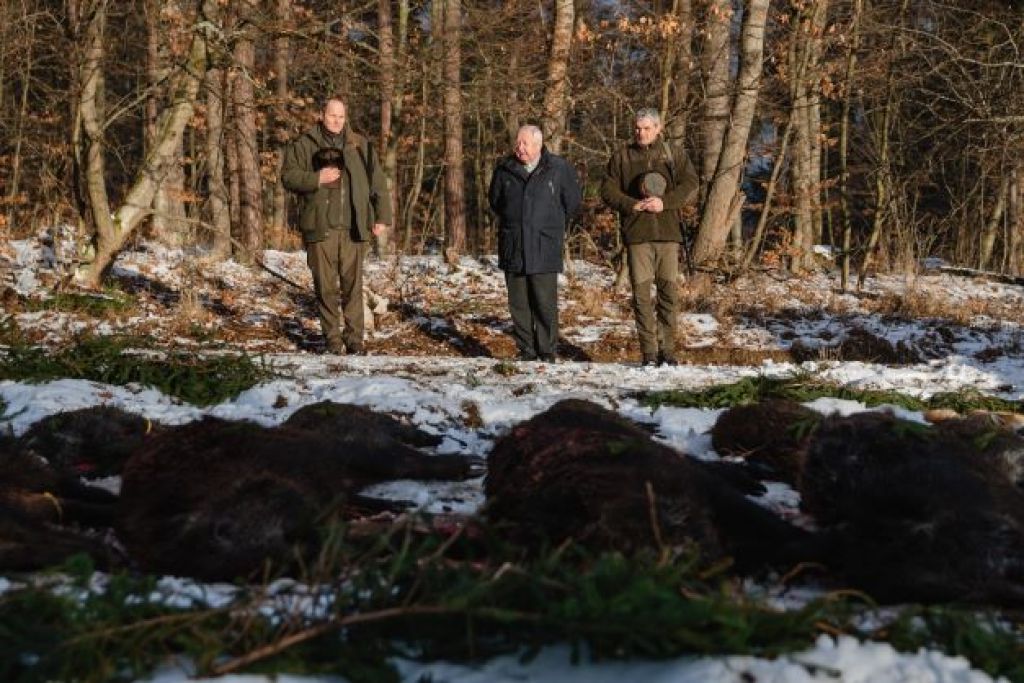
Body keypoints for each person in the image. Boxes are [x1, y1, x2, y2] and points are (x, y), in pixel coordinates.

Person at [281, 96, 392, 355]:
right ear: (322, 115)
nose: (337, 121)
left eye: (341, 116)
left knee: (353, 288)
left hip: (354, 228)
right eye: (332, 115)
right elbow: (288, 177)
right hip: (320, 227)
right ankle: (332, 340)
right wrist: (316, 178)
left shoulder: (360, 146)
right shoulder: (305, 144)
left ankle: (355, 341)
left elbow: (378, 183)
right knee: (326, 287)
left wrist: (382, 216)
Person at [600, 108, 699, 367]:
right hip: (637, 235)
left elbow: (691, 184)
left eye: (646, 128)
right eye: (637, 128)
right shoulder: (622, 156)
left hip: (668, 234)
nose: (640, 133)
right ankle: (649, 353)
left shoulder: (673, 154)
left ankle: (668, 351)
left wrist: (665, 203)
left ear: (658, 128)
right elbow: (607, 190)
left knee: (668, 295)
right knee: (642, 297)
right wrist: (631, 204)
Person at [488, 125, 582, 362]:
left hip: (545, 245)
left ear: (538, 145)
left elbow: (572, 202)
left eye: (525, 144)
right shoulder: (504, 169)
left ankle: (547, 350)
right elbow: (495, 201)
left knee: (544, 302)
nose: (520, 148)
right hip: (514, 244)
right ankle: (526, 350)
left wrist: (550, 223)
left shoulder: (558, 168)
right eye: (518, 143)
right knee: (518, 303)